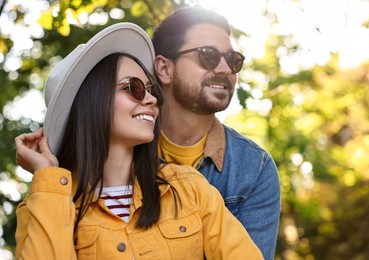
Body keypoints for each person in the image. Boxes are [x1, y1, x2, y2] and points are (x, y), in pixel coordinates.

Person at [14, 22, 264, 259]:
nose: (151, 99)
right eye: (133, 87)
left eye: (151, 89)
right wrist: (46, 175)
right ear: (92, 101)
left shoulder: (189, 188)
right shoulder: (43, 204)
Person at [152, 7, 281, 259]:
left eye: (233, 60)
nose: (225, 69)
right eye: (207, 55)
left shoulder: (255, 169)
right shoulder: (120, 149)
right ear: (165, 69)